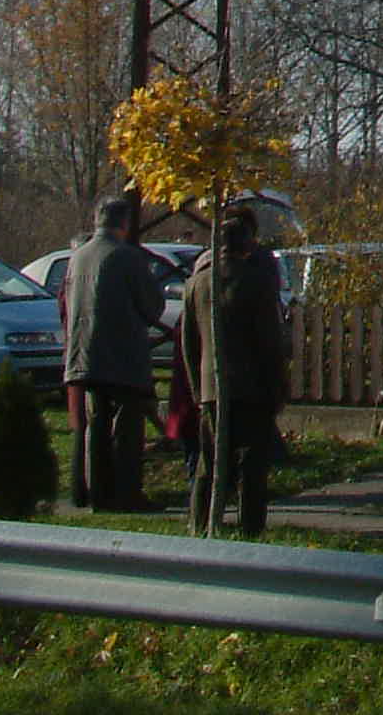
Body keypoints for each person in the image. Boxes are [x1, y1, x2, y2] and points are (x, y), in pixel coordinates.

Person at [180, 202, 290, 537]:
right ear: (249, 244)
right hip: (252, 389)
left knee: (208, 463)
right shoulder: (257, 282)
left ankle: (199, 525)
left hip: (212, 388)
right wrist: (276, 391)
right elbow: (270, 343)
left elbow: (189, 344)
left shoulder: (196, 284)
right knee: (252, 469)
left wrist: (199, 391)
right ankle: (250, 531)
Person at [62, 195, 165, 513]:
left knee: (95, 426)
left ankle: (98, 493)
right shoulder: (127, 257)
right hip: (122, 357)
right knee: (126, 429)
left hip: (84, 355)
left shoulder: (78, 257)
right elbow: (152, 308)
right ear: (124, 223)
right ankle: (126, 493)